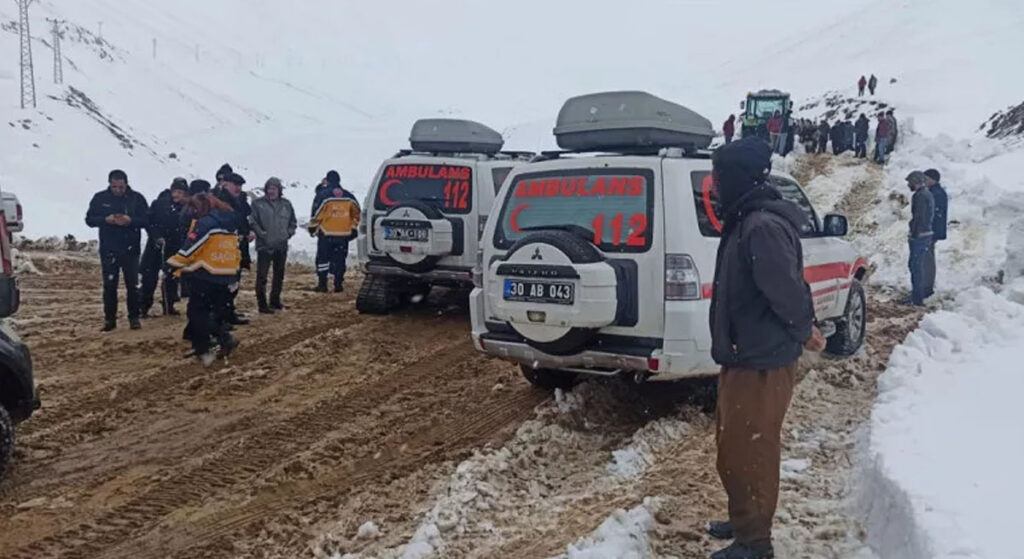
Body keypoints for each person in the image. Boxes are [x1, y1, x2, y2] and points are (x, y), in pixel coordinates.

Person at [706, 137, 823, 559]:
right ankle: (744, 522)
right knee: (732, 447)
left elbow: (786, 291)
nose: (715, 187)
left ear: (736, 177)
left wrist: (803, 328)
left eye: (719, 178)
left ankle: (756, 543)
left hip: (762, 358)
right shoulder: (746, 219)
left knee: (751, 450)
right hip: (745, 354)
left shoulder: (761, 225)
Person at [168, 193, 241, 366]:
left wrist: (173, 263)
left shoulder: (206, 223)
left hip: (206, 272)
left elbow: (191, 247)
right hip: (225, 272)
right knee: (212, 311)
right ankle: (206, 345)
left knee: (197, 312)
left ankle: (217, 342)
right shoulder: (229, 223)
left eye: (194, 208)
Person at [85, 170, 150, 332]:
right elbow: (89, 219)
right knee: (109, 285)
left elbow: (147, 220)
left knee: (132, 285)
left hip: (131, 249)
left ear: (126, 184)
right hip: (109, 248)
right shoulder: (100, 198)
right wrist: (105, 220)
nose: (118, 190)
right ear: (109, 184)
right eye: (114, 187)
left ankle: (134, 318)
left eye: (121, 187)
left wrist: (131, 221)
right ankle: (110, 320)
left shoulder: (137, 198)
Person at [140, 177, 189, 316]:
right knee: (149, 278)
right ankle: (143, 306)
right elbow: (148, 222)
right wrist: (156, 236)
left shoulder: (186, 208)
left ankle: (169, 305)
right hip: (155, 245)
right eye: (176, 191)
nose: (177, 195)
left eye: (181, 192)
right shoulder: (159, 204)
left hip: (174, 246)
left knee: (172, 277)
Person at [250, 177, 297, 313]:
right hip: (264, 246)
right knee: (262, 276)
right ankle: (262, 304)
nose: (271, 191)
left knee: (279, 275)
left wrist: (288, 233)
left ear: (279, 190)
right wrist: (261, 233)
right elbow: (253, 221)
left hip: (281, 245)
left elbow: (292, 222)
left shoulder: (286, 204)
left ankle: (275, 301)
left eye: (274, 188)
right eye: (269, 188)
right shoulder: (258, 204)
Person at [309, 170, 361, 293]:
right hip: (343, 234)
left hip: (326, 234)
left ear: (327, 180)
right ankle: (338, 284)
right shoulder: (349, 196)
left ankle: (323, 284)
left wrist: (312, 227)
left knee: (323, 259)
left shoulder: (323, 195)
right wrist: (353, 227)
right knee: (340, 259)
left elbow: (317, 213)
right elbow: (357, 213)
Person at [212, 172, 252, 325]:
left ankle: (229, 313)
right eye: (235, 185)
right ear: (225, 184)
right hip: (224, 247)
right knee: (224, 284)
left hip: (238, 247)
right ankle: (221, 317)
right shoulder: (219, 200)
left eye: (240, 185)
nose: (238, 188)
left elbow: (244, 220)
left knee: (234, 283)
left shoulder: (240, 201)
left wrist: (248, 232)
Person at [906, 171, 935, 306]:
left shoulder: (920, 196)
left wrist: (914, 232)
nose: (908, 185)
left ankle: (917, 298)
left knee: (916, 266)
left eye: (910, 183)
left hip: (920, 235)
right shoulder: (927, 194)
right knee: (917, 265)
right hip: (925, 233)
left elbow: (919, 216)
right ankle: (917, 295)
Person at [923, 169, 948, 298]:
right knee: (926, 258)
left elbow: (933, 215)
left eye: (926, 178)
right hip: (930, 231)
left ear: (933, 180)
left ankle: (927, 288)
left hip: (930, 232)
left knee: (927, 260)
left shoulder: (936, 194)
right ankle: (925, 286)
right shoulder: (934, 192)